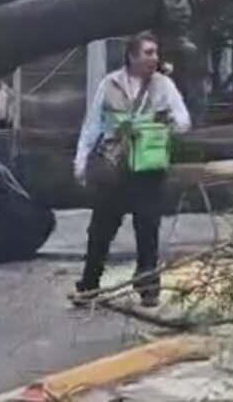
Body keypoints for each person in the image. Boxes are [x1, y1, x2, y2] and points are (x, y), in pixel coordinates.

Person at [71, 32, 191, 307]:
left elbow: (184, 121)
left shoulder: (164, 85)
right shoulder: (109, 84)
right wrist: (81, 161)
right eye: (148, 52)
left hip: (148, 167)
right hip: (115, 165)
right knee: (100, 228)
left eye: (156, 52)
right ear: (132, 56)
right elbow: (93, 125)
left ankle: (149, 288)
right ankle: (89, 285)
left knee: (147, 227)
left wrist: (163, 123)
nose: (154, 57)